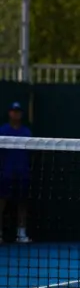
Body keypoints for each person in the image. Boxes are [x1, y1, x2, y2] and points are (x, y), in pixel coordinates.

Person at [0, 102, 32, 244]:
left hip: (22, 174)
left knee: (22, 203)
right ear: (9, 113)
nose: (16, 114)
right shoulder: (2, 130)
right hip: (5, 174)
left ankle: (21, 234)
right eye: (13, 111)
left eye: (18, 111)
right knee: (1, 203)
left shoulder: (26, 132)